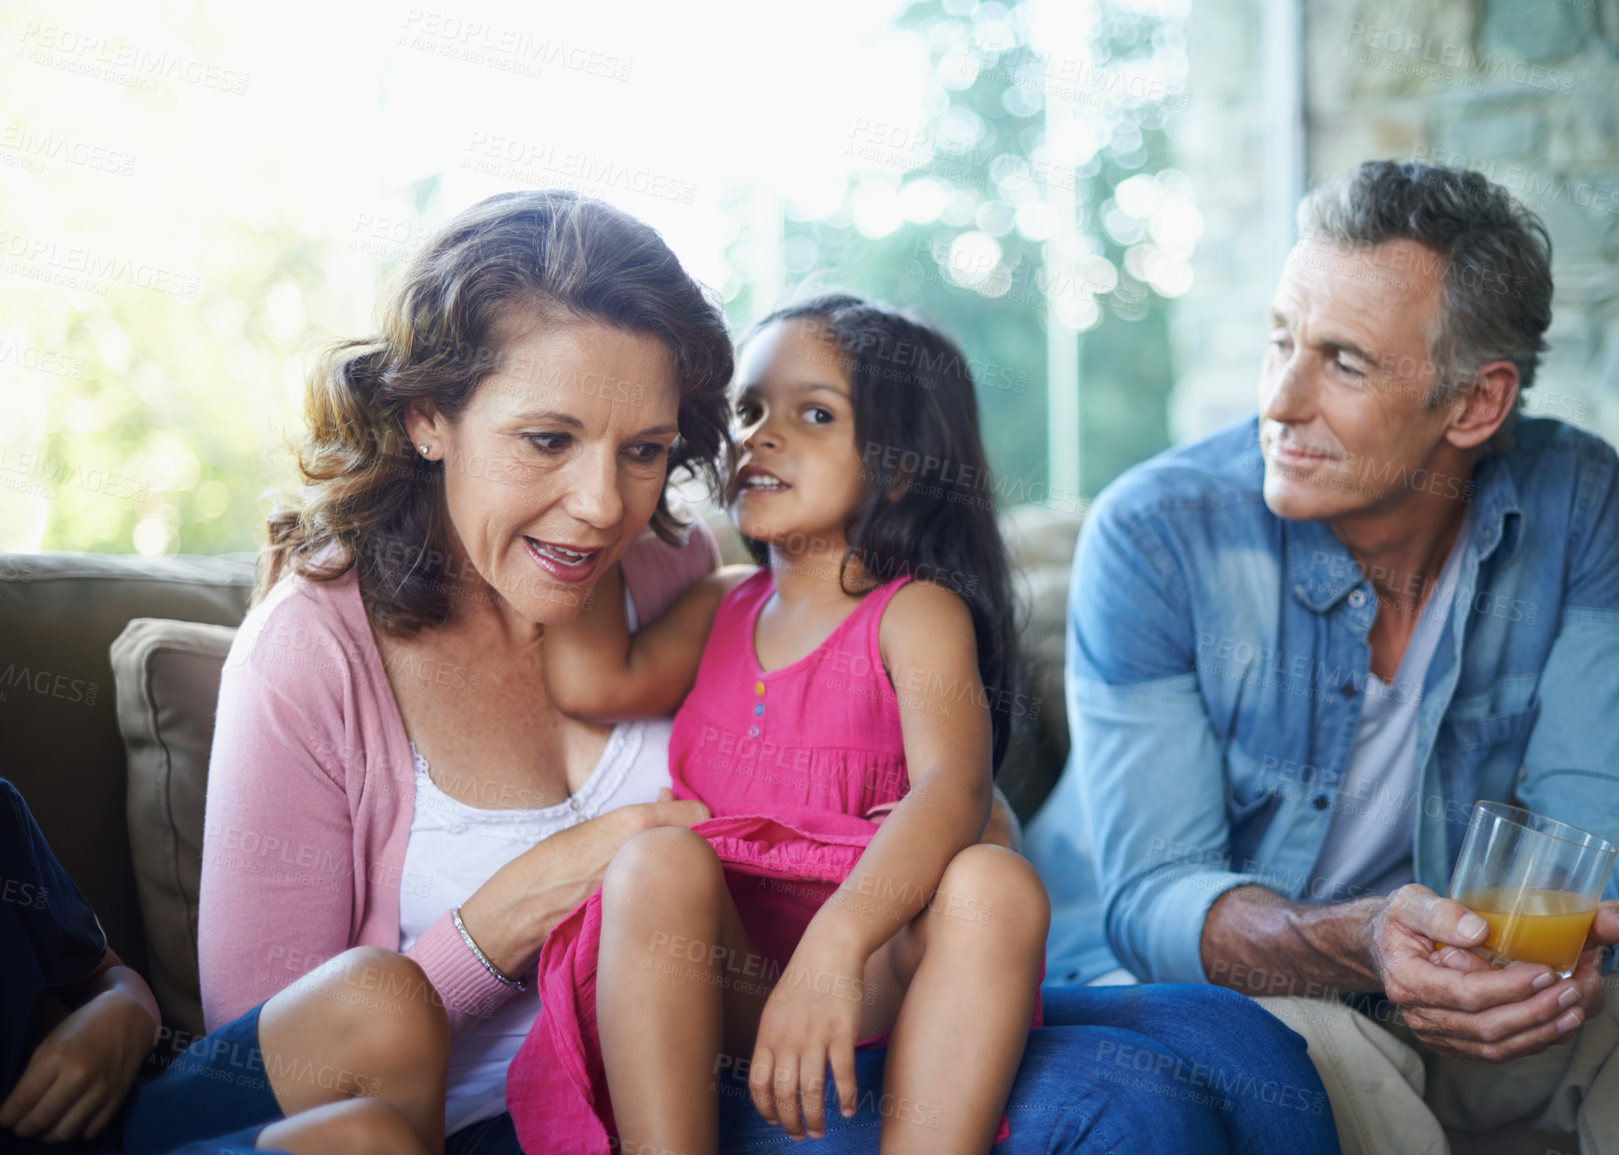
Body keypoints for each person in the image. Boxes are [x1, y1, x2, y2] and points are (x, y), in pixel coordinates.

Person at [198, 187, 1339, 1155]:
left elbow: (866, 734)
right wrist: (512, 914)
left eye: (646, 451)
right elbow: (265, 1064)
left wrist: (954, 830)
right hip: (520, 1113)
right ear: (429, 416)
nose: (603, 504)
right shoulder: (314, 653)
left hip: (788, 1022)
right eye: (547, 440)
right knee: (1132, 1114)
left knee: (1233, 1059)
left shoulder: (667, 564)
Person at [1025, 158, 1619, 1154]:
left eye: (1343, 362)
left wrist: (1573, 944)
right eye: (1281, 341)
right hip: (1206, 979)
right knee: (1318, 1061)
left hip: (1455, 956)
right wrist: (1361, 940)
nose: (1280, 399)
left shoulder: (1574, 494)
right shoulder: (1157, 533)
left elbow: (1608, 810)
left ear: (1476, 406)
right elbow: (1156, 899)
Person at [521, 296, 1046, 1154]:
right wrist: (602, 495)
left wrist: (835, 946)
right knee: (653, 861)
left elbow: (953, 788)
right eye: (750, 409)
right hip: (726, 973)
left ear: (902, 465)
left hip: (872, 961)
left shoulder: (915, 614)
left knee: (996, 886)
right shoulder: (723, 603)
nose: (762, 435)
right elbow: (589, 677)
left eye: (813, 414)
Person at [0, 779, 443, 1155]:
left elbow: (99, 973)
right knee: (363, 1139)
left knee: (386, 995)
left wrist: (123, 1007)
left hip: (107, 1119)